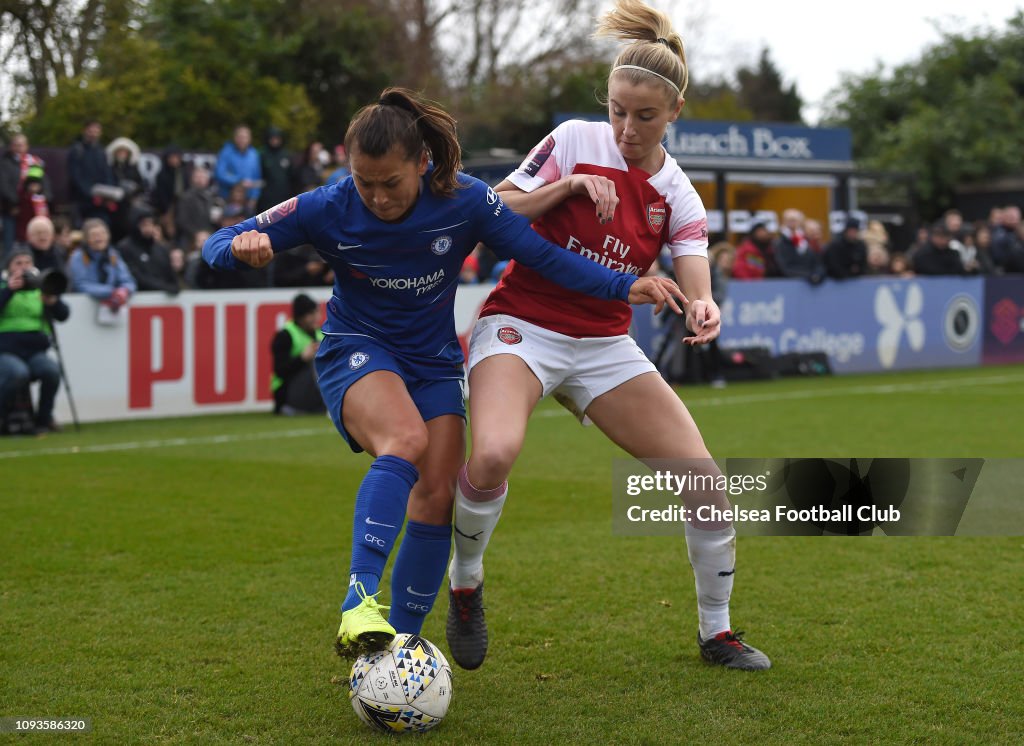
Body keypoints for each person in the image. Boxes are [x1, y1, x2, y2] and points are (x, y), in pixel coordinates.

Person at [202, 86, 683, 658]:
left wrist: (624, 285)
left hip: (432, 362)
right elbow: (217, 242)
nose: (377, 197)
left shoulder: (465, 201)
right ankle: (358, 603)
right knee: (405, 440)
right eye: (365, 182)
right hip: (358, 348)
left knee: (436, 495)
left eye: (391, 183)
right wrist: (244, 248)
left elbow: (541, 256)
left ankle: (401, 649)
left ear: (422, 164)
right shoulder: (327, 205)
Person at [444, 0, 771, 674]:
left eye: (643, 116)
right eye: (618, 110)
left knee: (705, 481)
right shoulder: (571, 139)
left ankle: (718, 633)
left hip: (603, 344)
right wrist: (565, 186)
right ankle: (466, 584)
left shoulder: (678, 192)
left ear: (674, 113)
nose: (625, 127)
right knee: (497, 452)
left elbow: (695, 276)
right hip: (522, 325)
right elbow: (490, 206)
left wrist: (704, 308)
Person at [0, 248, 70, 434]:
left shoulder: (41, 287)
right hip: (5, 350)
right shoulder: (3, 285)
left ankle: (43, 420)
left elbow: (63, 315)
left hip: (34, 351)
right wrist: (8, 290)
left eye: (27, 262)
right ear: (9, 267)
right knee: (17, 373)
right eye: (18, 263)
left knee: (51, 371)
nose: (24, 267)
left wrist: (52, 301)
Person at [271, 293, 326, 415]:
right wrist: (302, 358)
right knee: (314, 362)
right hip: (286, 391)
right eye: (311, 314)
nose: (316, 317)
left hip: (310, 391)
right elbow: (279, 370)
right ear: (300, 317)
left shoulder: (320, 334)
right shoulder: (285, 335)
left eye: (316, 312)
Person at [68, 218, 137, 315]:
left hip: (112, 311)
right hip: (84, 310)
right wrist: (110, 292)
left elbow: (128, 280)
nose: (99, 238)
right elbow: (80, 285)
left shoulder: (113, 255)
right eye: (94, 235)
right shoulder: (78, 257)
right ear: (87, 239)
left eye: (102, 234)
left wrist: (124, 291)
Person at [67, 120, 116, 226]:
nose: (93, 134)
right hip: (82, 202)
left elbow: (107, 174)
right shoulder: (77, 150)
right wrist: (89, 193)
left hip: (101, 203)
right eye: (91, 131)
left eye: (96, 131)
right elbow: (75, 176)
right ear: (84, 131)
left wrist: (108, 194)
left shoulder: (102, 152)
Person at [214, 125, 262, 211]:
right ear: (235, 138)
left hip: (247, 200)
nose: (242, 140)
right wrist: (239, 181)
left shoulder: (254, 154)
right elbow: (219, 174)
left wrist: (254, 197)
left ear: (250, 139)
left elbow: (256, 178)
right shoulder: (226, 152)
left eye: (245, 137)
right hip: (227, 198)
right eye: (240, 137)